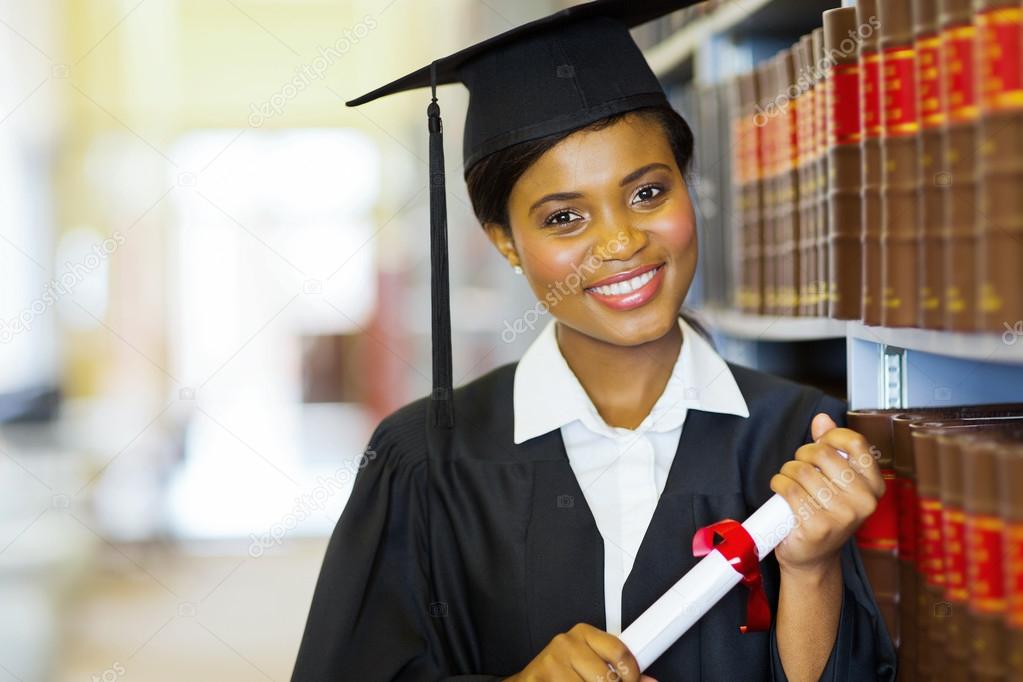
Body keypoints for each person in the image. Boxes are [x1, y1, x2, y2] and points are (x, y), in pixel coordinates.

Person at [291, 1, 897, 679]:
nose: (619, 242)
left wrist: (810, 568)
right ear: (504, 242)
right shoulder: (425, 459)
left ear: (686, 187)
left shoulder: (797, 440)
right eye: (565, 217)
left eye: (646, 194)